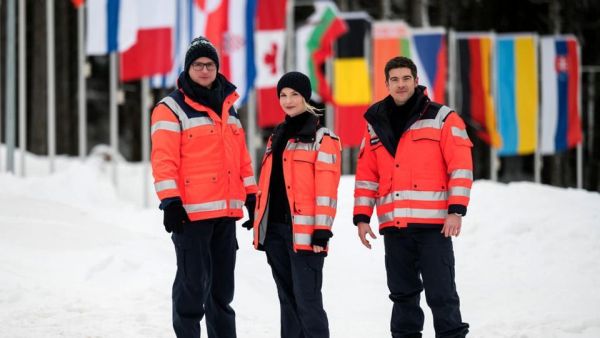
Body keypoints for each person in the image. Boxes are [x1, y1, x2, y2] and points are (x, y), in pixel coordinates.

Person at [353, 56, 472, 338]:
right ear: (386, 84)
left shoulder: (443, 117)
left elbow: (461, 166)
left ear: (416, 81)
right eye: (394, 79)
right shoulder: (375, 122)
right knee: (402, 296)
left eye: (406, 78)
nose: (401, 84)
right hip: (395, 227)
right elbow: (367, 174)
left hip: (434, 226)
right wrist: (361, 217)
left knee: (442, 293)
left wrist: (456, 209)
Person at [150, 36, 257, 338]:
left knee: (222, 292)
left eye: (210, 64)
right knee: (192, 289)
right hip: (190, 216)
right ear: (188, 69)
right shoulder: (170, 109)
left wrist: (250, 195)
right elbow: (163, 161)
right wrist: (170, 202)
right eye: (198, 65)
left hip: (225, 213)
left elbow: (242, 159)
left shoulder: (228, 108)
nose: (205, 70)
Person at [249, 71, 342, 338]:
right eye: (283, 95)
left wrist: (322, 229)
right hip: (276, 232)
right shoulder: (276, 136)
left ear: (306, 97)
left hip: (305, 235)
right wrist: (258, 216)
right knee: (287, 303)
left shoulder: (323, 138)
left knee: (308, 302)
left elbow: (327, 190)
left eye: (294, 95)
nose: (288, 101)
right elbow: (270, 183)